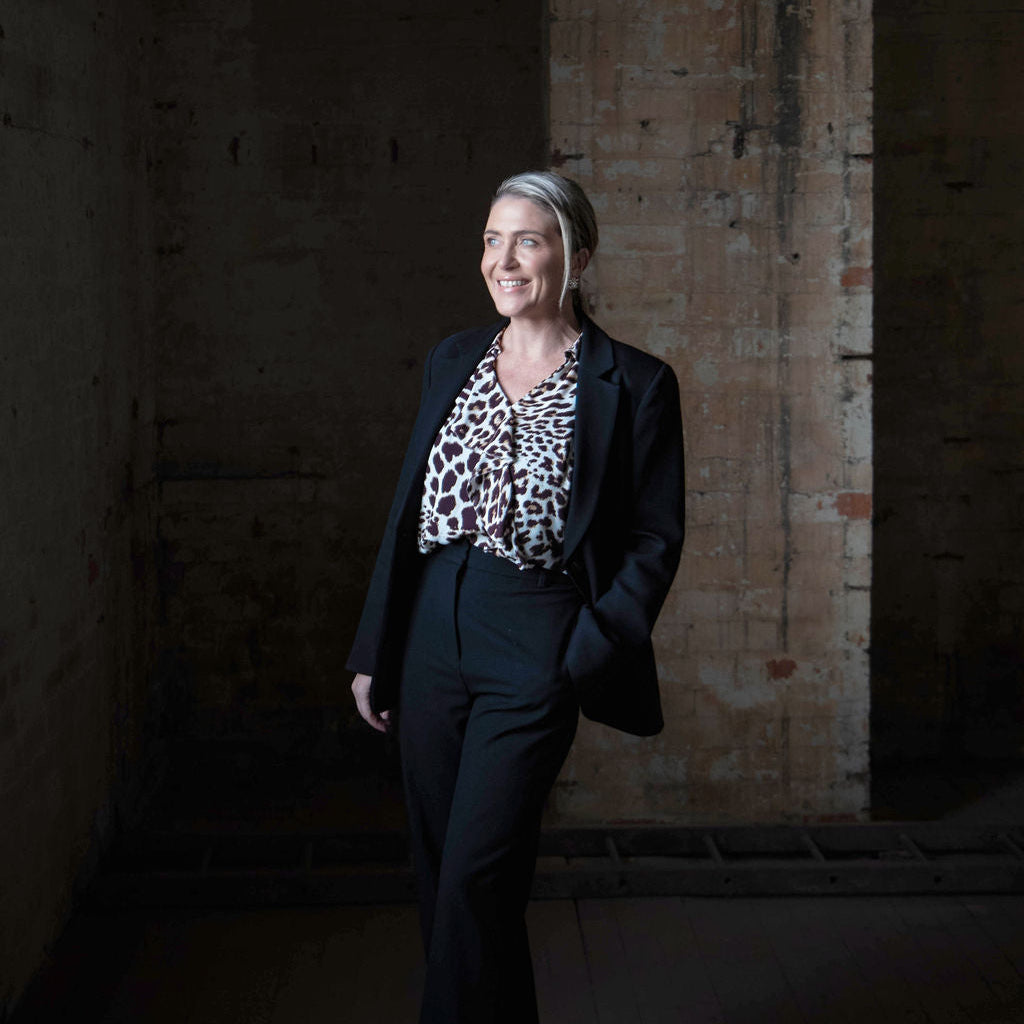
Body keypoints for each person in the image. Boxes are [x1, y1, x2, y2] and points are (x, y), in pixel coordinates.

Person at [347, 170, 685, 1024]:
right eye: (493, 239)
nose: (504, 260)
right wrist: (374, 648)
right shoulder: (454, 358)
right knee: (442, 880)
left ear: (574, 255)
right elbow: (406, 508)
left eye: (527, 240)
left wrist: (585, 647)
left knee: (476, 876)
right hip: (430, 629)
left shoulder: (635, 382)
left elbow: (654, 537)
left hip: (535, 633)